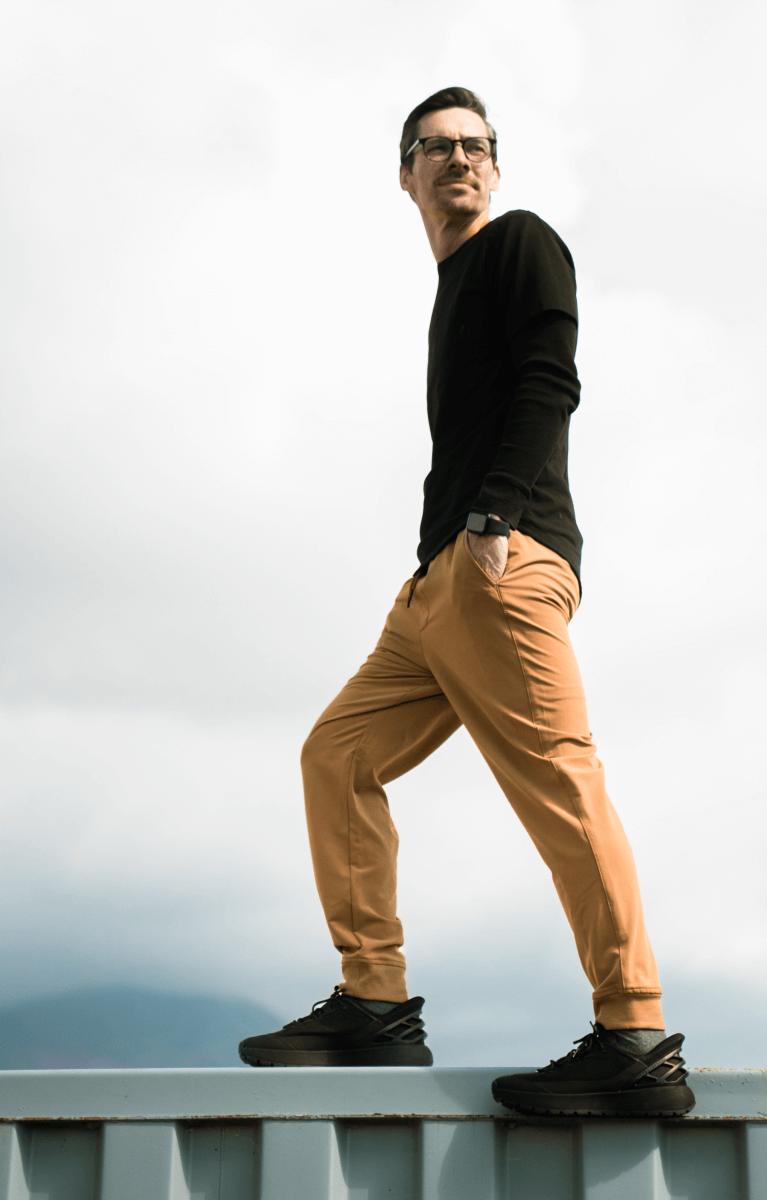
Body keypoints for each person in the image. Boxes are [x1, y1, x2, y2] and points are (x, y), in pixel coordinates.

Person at [239, 87, 694, 1118]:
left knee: (559, 782)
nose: (459, 158)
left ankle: (634, 1035)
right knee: (336, 756)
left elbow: (550, 378)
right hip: (433, 590)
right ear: (404, 174)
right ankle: (375, 1005)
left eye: (475, 145)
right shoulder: (449, 291)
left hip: (501, 560)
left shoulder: (519, 243)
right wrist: (439, 559)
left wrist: (493, 516)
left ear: (495, 165)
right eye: (436, 146)